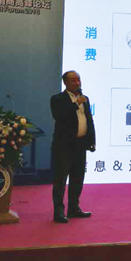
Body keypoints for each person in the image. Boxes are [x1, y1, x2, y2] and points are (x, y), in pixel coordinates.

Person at [50, 70, 96, 223]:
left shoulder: (84, 99)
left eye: (78, 80)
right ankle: (58, 212)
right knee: (61, 179)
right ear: (65, 82)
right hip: (63, 146)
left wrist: (92, 140)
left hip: (80, 144)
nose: (77, 83)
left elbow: (88, 120)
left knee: (78, 178)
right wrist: (76, 104)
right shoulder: (57, 99)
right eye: (73, 80)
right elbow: (59, 116)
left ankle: (74, 208)